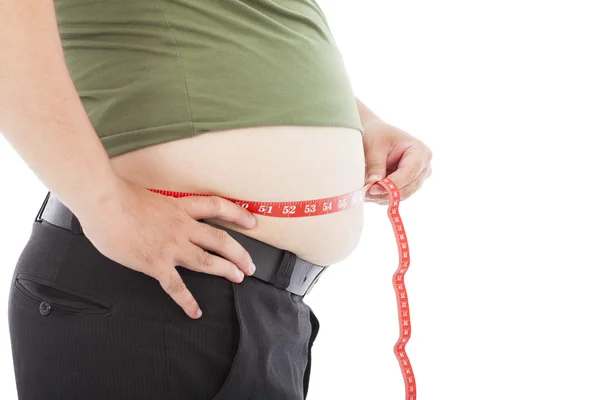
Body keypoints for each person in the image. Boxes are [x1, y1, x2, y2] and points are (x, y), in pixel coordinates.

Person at [0, 0, 432, 399]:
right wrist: (106, 207)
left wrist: (360, 123)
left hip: (271, 312)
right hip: (143, 290)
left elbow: (243, 27)